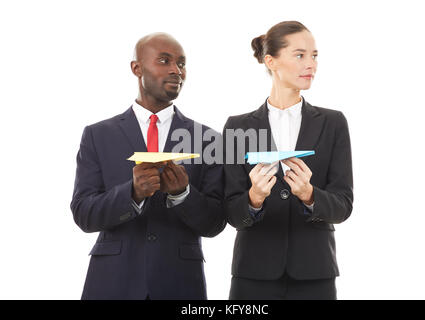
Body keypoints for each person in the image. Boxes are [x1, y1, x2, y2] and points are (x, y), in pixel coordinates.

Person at [70, 33, 226, 300]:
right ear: (137, 68)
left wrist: (183, 194)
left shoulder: (209, 139)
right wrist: (131, 194)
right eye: (164, 60)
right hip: (112, 283)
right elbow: (84, 213)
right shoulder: (98, 135)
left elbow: (215, 223)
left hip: (180, 284)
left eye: (181, 63)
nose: (176, 70)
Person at [223, 21, 353, 300]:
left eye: (314, 55)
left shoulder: (333, 123)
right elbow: (231, 211)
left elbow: (343, 205)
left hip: (314, 274)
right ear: (271, 61)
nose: (311, 64)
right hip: (253, 275)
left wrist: (309, 194)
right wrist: (254, 198)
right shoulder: (237, 128)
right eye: (300, 55)